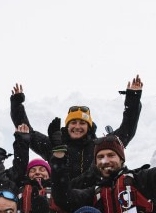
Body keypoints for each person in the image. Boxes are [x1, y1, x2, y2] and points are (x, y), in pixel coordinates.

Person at [52, 80, 156, 213]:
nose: (105, 161)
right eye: (100, 157)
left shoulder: (143, 181)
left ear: (122, 159)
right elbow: (62, 197)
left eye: (111, 155)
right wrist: (58, 158)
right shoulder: (91, 194)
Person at [9, 75, 143, 180]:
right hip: (63, 201)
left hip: (94, 200)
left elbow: (127, 129)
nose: (77, 126)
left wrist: (133, 98)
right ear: (67, 126)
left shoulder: (100, 145)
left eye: (82, 123)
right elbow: (27, 132)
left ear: (89, 127)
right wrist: (17, 104)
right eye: (73, 123)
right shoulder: (55, 145)